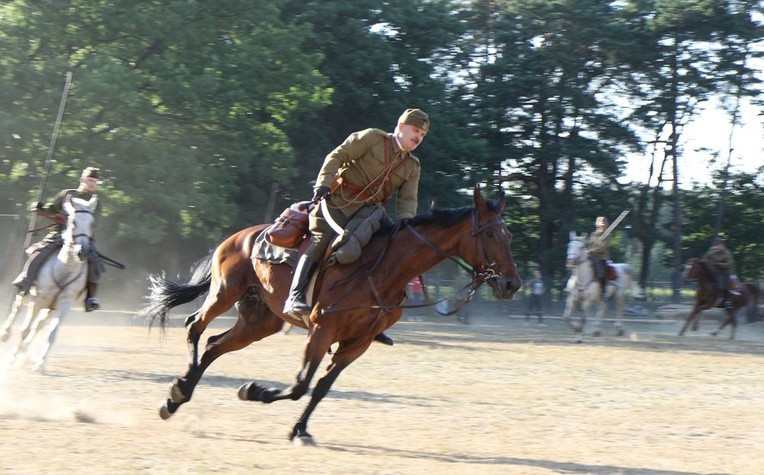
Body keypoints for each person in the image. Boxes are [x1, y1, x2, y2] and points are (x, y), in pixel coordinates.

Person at [283, 108, 430, 345]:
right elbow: (337, 155)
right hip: (336, 205)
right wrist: (323, 184)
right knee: (322, 241)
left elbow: (407, 200)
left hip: (367, 214)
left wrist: (406, 225)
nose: (418, 138)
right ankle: (294, 296)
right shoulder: (373, 138)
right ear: (401, 127)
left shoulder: (412, 166)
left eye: (422, 135)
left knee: (386, 252)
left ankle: (373, 319)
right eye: (415, 131)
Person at [12, 167, 104, 312]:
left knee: (95, 264)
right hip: (59, 234)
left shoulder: (95, 202)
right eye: (90, 180)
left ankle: (90, 298)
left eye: (95, 181)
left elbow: (96, 221)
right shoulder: (67, 194)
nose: (93, 184)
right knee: (40, 253)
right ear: (82, 179)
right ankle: (26, 283)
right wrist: (41, 208)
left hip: (82, 237)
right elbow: (52, 209)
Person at [703, 237, 739, 308]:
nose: (718, 247)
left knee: (725, 283)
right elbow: (705, 258)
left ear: (723, 245)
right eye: (717, 245)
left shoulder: (727, 252)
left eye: (720, 245)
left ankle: (727, 301)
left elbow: (730, 264)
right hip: (715, 270)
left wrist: (718, 264)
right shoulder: (711, 251)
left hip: (727, 271)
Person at [587, 216, 611, 298]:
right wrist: (589, 250)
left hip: (601, 257)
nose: (602, 224)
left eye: (604, 222)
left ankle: (603, 291)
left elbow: (603, 247)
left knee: (601, 272)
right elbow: (590, 244)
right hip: (591, 256)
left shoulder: (607, 235)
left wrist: (593, 250)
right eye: (601, 222)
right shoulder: (593, 234)